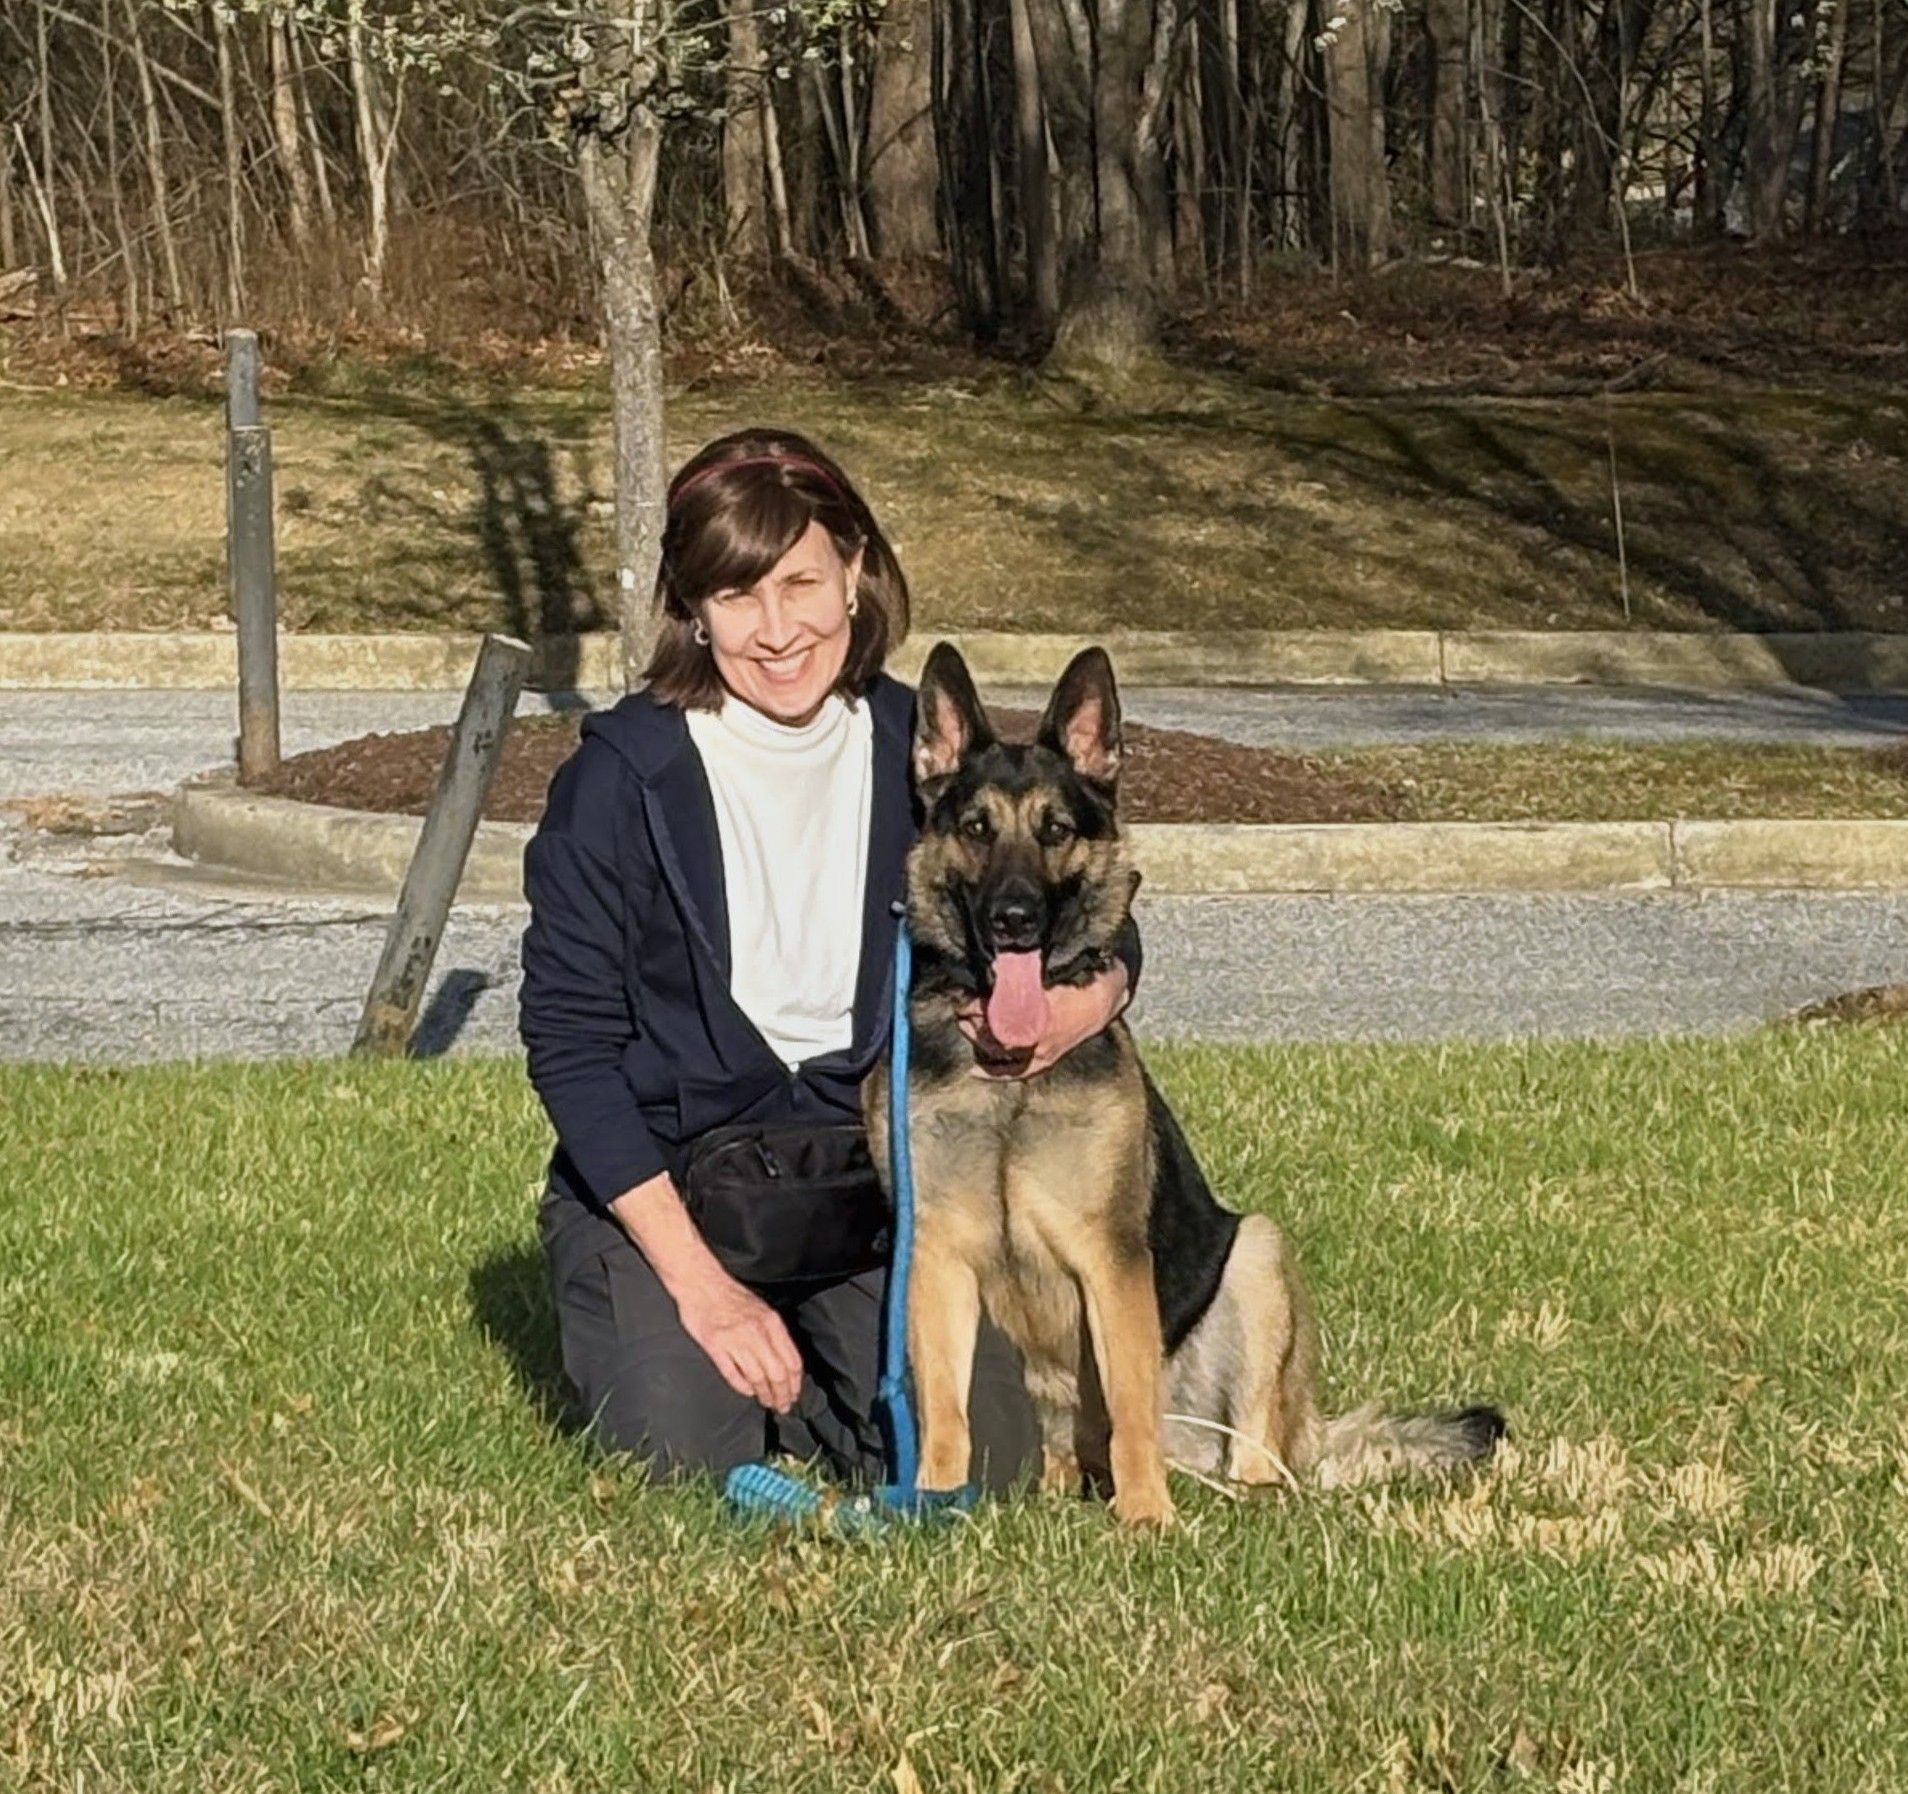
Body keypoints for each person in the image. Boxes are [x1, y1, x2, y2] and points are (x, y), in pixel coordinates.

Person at [518, 426, 1141, 1490]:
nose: (776, 632)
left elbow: (1076, 893)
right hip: (675, 1196)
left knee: (986, 1466)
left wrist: (1103, 993)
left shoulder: (925, 755)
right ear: (691, 608)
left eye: (801, 584)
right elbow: (570, 1051)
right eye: (735, 597)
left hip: (857, 1196)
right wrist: (707, 1292)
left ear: (854, 571)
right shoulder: (618, 779)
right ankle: (699, 1357)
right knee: (681, 1459)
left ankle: (807, 1375)